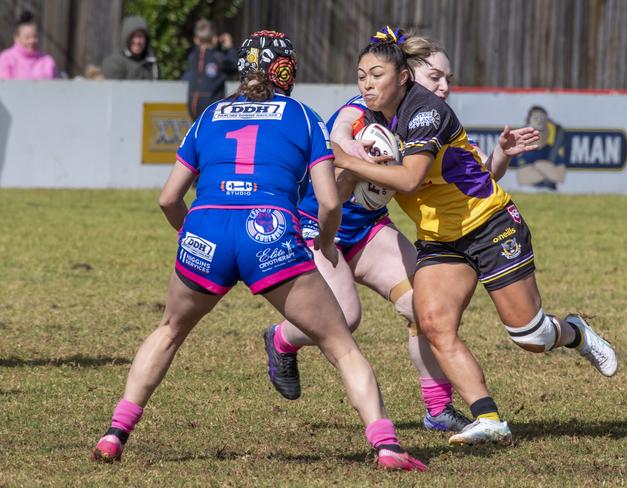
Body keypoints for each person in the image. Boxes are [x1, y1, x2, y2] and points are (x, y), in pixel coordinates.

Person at [91, 30, 425, 472]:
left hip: (207, 228)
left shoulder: (209, 115)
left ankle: (115, 433)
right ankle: (386, 447)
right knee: (341, 344)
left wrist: (188, 235)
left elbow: (168, 199)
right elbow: (328, 202)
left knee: (170, 330)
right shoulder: (303, 118)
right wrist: (325, 246)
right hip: (266, 231)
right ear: (287, 72)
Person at [331, 26, 617, 446]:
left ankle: (573, 331)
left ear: (402, 77)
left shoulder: (427, 111)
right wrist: (342, 158)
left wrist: (349, 162)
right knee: (433, 324)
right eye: (361, 76)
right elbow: (342, 133)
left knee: (531, 337)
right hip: (440, 240)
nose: (367, 84)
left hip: (490, 224)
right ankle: (489, 419)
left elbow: (409, 180)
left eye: (376, 75)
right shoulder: (369, 116)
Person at [263, 33, 540, 434]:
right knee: (344, 317)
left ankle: (438, 408)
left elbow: (473, 177)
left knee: (421, 308)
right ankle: (282, 340)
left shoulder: (425, 117)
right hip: (321, 226)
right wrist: (353, 151)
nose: (443, 87)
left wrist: (501, 156)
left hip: (369, 229)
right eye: (436, 77)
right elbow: (337, 133)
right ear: (407, 75)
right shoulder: (366, 107)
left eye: (448, 79)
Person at [185, 19, 238, 120]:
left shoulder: (192, 57)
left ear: (196, 39)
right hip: (212, 108)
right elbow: (236, 66)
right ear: (214, 39)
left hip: (193, 107)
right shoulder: (218, 58)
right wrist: (229, 48)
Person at [513, 106, 566, 191]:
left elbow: (560, 177)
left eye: (542, 119)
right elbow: (521, 176)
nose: (539, 122)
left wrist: (541, 167)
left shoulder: (551, 151)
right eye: (535, 119)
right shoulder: (521, 151)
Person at [0, 11, 57, 80]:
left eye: (35, 37)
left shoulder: (47, 60)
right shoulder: (6, 59)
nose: (32, 41)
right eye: (27, 38)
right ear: (16, 38)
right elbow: (5, 86)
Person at [102, 16, 159, 80]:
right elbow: (113, 89)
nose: (137, 41)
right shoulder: (113, 64)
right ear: (125, 38)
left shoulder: (151, 63)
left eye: (140, 36)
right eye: (133, 36)